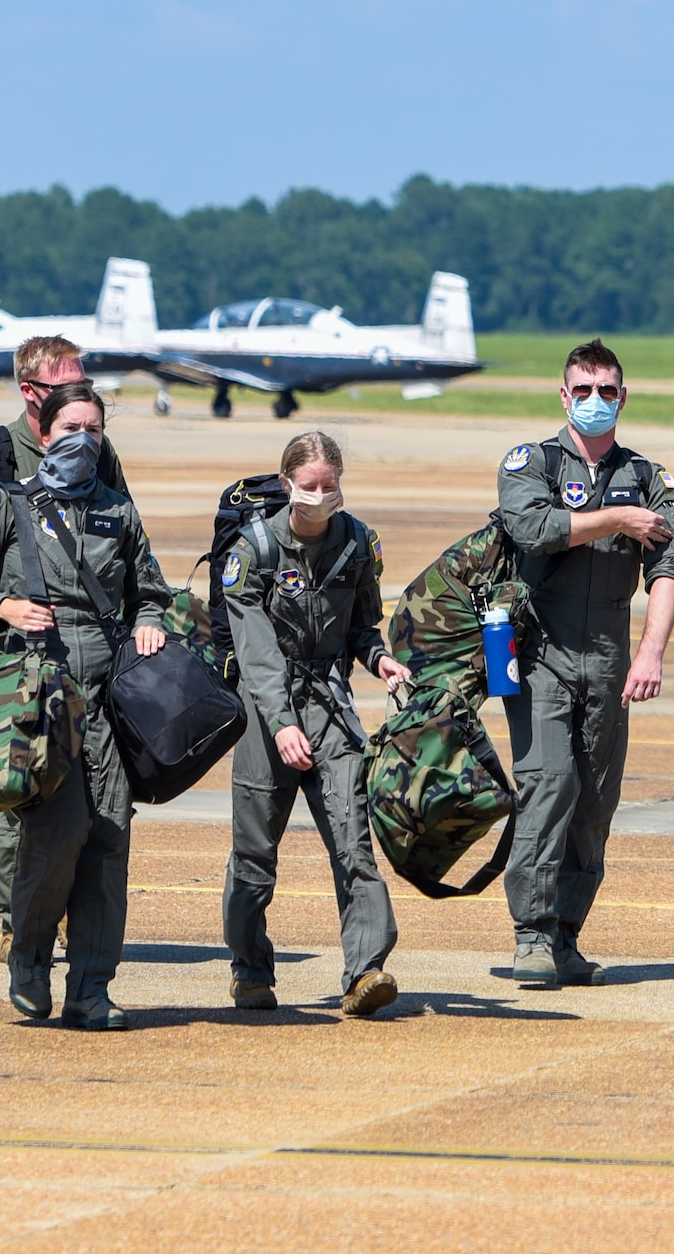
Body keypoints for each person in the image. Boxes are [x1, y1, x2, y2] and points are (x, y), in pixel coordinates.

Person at [0, 381, 171, 1030]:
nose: (85, 439)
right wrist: (2, 607)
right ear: (44, 431)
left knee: (108, 839)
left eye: (95, 428)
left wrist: (150, 622)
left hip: (105, 702)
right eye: (72, 426)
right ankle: (31, 960)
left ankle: (92, 987)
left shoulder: (118, 511)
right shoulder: (5, 504)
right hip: (38, 701)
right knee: (55, 832)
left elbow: (150, 590)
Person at [494, 339, 674, 989]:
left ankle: (565, 936)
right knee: (549, 782)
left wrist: (651, 650)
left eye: (607, 390)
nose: (595, 401)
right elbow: (533, 528)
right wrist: (615, 518)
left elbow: (672, 557)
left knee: (595, 801)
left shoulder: (648, 477)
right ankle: (530, 933)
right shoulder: (533, 462)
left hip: (609, 654)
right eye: (582, 390)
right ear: (563, 395)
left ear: (623, 396)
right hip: (537, 652)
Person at [0, 335, 129, 963]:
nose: (80, 408)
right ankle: (13, 923)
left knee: (92, 801)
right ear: (31, 392)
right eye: (63, 389)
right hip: (7, 647)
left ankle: (74, 920)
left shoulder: (98, 451)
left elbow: (119, 540)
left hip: (84, 656)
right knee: (15, 786)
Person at [221, 430, 412, 1016]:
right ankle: (250, 968)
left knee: (354, 843)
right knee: (254, 859)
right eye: (309, 487)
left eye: (331, 486)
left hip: (330, 709)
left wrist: (380, 659)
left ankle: (366, 971)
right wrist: (280, 723)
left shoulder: (357, 543)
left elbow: (361, 627)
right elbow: (255, 654)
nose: (321, 496)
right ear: (286, 486)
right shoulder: (251, 553)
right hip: (264, 713)